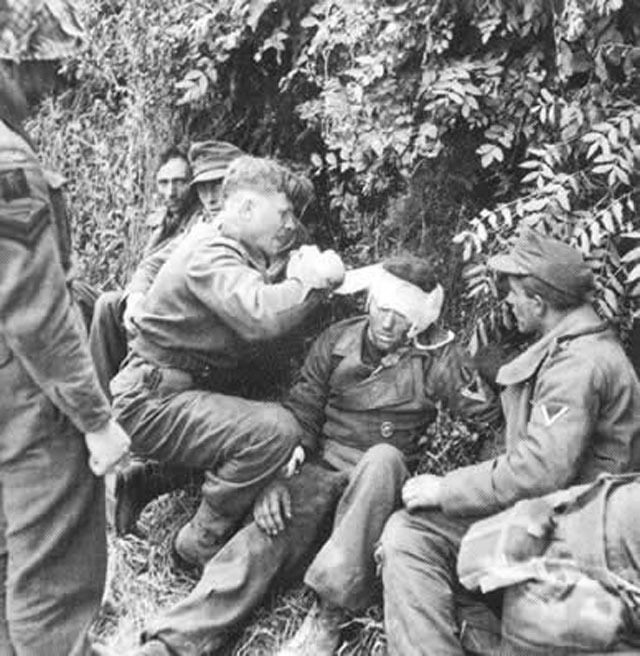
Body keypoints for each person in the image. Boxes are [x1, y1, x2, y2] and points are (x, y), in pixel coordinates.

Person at [126, 255, 498, 656]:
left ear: (419, 322)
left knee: (384, 458)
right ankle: (173, 640)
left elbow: (489, 419)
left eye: (402, 316)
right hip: (321, 471)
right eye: (383, 308)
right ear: (370, 302)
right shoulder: (337, 341)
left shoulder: (436, 359)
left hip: (376, 492)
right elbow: (300, 415)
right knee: (258, 543)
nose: (389, 323)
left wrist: (492, 370)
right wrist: (274, 480)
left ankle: (329, 617)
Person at [378, 227, 640, 656]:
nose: (508, 302)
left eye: (515, 293)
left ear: (539, 302)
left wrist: (446, 488)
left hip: (568, 532)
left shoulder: (578, 365)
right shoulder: (579, 348)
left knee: (409, 534)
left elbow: (540, 470)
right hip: (564, 516)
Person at [110, 154, 345, 570]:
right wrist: (312, 282)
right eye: (284, 213)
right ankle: (199, 542)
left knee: (256, 416)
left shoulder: (229, 244)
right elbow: (260, 314)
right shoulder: (211, 252)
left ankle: (145, 482)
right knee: (276, 430)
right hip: (152, 400)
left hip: (176, 387)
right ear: (248, 208)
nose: (291, 224)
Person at [0, 2, 131, 654]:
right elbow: (38, 315)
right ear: (7, 57)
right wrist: (95, 419)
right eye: (40, 68)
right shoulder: (9, 165)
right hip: (27, 396)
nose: (50, 88)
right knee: (55, 577)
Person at [88, 141, 243, 399]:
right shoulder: (199, 224)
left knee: (112, 308)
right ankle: (99, 403)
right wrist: (136, 297)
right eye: (204, 188)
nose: (212, 197)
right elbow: (151, 264)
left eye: (219, 185)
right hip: (169, 321)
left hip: (193, 340)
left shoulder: (231, 227)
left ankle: (112, 406)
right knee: (100, 302)